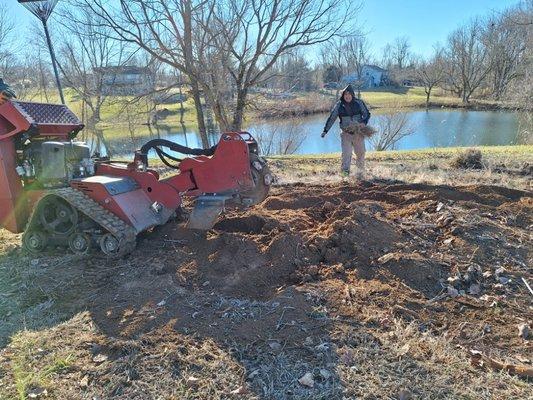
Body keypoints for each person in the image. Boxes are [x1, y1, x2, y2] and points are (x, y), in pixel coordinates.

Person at [321, 84, 370, 178]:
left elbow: (367, 114)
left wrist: (364, 122)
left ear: (352, 94)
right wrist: (325, 131)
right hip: (345, 134)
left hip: (358, 133)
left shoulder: (359, 103)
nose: (347, 96)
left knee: (361, 153)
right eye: (345, 94)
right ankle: (345, 176)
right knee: (346, 155)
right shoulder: (339, 105)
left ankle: (360, 174)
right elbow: (332, 118)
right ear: (343, 95)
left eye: (349, 94)